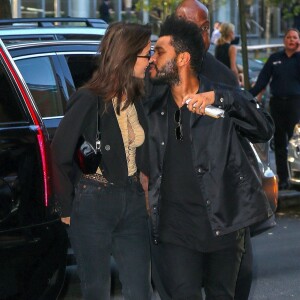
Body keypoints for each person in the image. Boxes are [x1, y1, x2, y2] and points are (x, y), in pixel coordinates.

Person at [145, 14, 274, 300]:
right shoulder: (152, 108)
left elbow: (263, 128)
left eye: (160, 51)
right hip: (174, 231)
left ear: (182, 59)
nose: (153, 58)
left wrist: (222, 99)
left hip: (222, 226)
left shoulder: (221, 97)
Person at [51, 22, 152, 299]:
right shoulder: (88, 98)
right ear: (128, 56)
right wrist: (67, 209)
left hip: (131, 200)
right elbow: (59, 153)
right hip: (94, 200)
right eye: (147, 53)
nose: (150, 59)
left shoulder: (136, 98)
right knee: (97, 290)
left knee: (140, 289)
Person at [249, 28, 300, 190]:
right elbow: (262, 82)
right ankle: (284, 179)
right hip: (277, 105)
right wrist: (246, 96)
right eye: (288, 37)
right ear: (284, 40)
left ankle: (297, 179)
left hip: (295, 104)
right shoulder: (274, 58)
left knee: (296, 144)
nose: (291, 40)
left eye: (294, 37)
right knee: (279, 143)